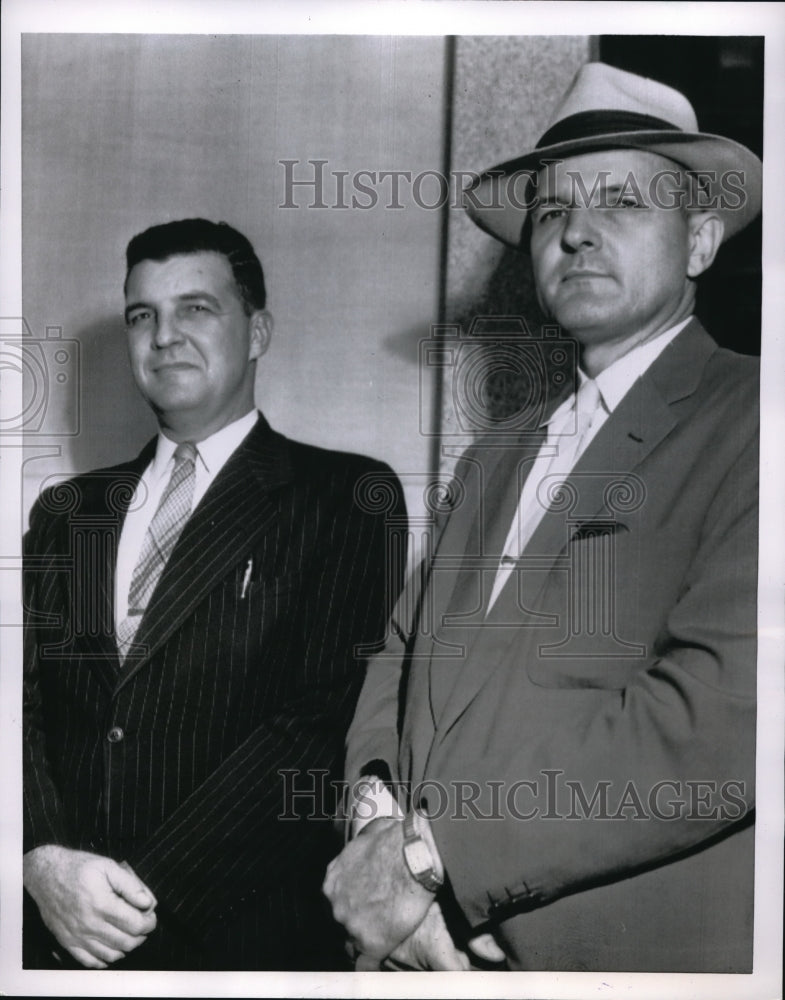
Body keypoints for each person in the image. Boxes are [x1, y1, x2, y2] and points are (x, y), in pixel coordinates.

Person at [324, 62, 761, 972]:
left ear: (699, 242)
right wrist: (374, 822)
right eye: (552, 210)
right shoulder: (495, 454)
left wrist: (429, 858)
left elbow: (722, 721)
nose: (576, 232)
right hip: (425, 950)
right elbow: (400, 656)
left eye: (621, 202)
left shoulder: (755, 418)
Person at [23, 218, 404, 970]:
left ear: (257, 331)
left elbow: (316, 722)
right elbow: (20, 703)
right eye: (142, 315)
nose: (164, 336)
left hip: (239, 943)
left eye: (195, 308)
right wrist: (40, 859)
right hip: (54, 931)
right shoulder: (68, 511)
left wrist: (132, 899)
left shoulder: (345, 496)